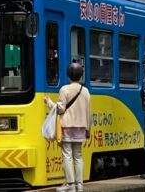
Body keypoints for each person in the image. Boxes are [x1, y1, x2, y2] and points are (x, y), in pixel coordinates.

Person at [44, 62, 91, 192]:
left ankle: (70, 184)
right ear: (81, 76)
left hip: (67, 126)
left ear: (68, 75)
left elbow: (60, 109)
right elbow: (89, 112)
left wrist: (49, 102)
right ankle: (79, 185)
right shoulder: (85, 91)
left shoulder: (64, 89)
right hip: (81, 127)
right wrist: (88, 129)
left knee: (67, 154)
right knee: (78, 155)